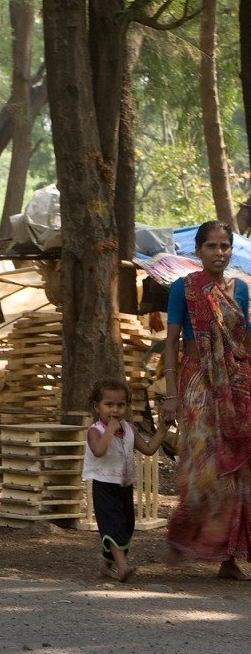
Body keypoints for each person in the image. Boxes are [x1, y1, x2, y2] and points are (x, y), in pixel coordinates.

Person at [162, 220, 251, 580]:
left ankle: (229, 558)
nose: (219, 252)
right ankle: (184, 536)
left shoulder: (241, 289)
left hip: (237, 384)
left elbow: (243, 342)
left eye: (225, 246)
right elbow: (170, 343)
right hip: (197, 380)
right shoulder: (183, 289)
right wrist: (170, 394)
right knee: (202, 465)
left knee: (238, 467)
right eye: (212, 246)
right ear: (197, 251)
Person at [82, 377, 169, 582]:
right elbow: (99, 451)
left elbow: (148, 449)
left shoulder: (129, 428)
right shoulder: (95, 431)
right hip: (104, 486)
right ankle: (122, 568)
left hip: (124, 485)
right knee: (113, 526)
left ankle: (106, 565)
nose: (115, 410)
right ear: (97, 406)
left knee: (127, 527)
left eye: (120, 405)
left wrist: (163, 430)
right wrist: (110, 431)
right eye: (109, 404)